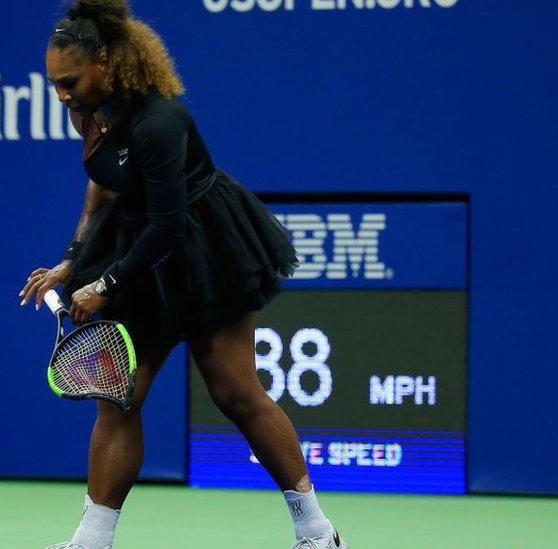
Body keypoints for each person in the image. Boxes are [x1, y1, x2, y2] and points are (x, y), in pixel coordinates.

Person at [19, 1, 346, 548]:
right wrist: (74, 259)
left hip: (201, 248)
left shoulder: (159, 123)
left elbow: (168, 228)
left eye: (69, 81)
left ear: (105, 60)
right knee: (118, 397)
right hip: (132, 247)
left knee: (234, 391)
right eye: (54, 84)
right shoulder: (90, 111)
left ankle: (317, 532)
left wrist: (106, 285)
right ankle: (91, 542)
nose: (62, 95)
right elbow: (103, 187)